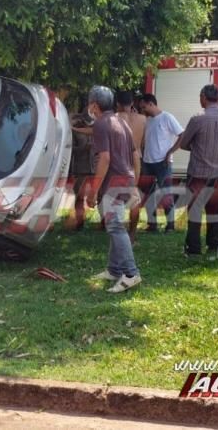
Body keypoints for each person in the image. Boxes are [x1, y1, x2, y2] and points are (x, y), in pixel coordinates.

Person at [86, 85, 142, 293]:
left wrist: (93, 191)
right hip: (126, 178)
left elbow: (105, 158)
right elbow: (135, 154)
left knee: (116, 227)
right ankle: (114, 269)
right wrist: (133, 181)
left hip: (114, 183)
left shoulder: (101, 124)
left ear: (94, 105)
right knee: (114, 225)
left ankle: (130, 274)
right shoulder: (121, 121)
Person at [167, 84, 218, 256]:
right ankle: (214, 244)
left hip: (198, 172)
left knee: (195, 209)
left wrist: (197, 146)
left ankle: (193, 248)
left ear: (203, 97)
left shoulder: (197, 118)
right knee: (216, 209)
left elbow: (185, 142)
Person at [138, 93, 182, 233]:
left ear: (151, 103)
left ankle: (170, 225)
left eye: (144, 107)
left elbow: (182, 135)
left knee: (166, 194)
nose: (143, 110)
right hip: (147, 163)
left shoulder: (167, 117)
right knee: (149, 195)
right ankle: (152, 225)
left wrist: (170, 152)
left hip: (163, 163)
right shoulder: (148, 120)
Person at [115, 91, 146, 243]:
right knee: (134, 199)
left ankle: (117, 233)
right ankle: (132, 234)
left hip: (120, 160)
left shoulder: (115, 118)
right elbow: (143, 142)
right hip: (137, 159)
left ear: (118, 104)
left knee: (115, 197)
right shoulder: (143, 119)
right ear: (132, 103)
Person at [68, 112, 95, 230]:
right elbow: (70, 149)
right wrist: (84, 148)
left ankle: (104, 222)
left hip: (95, 168)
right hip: (81, 168)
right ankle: (80, 223)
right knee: (79, 196)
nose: (80, 121)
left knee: (100, 196)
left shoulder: (94, 129)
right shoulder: (73, 131)